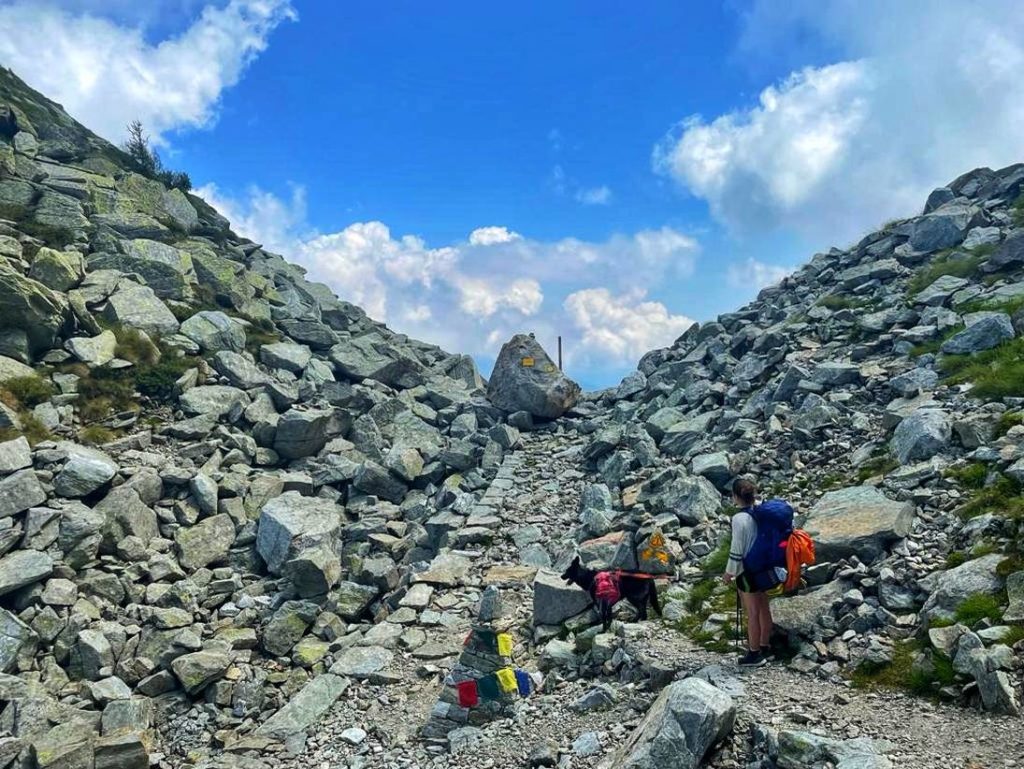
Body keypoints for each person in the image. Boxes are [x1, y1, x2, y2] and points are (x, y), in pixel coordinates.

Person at [722, 477, 777, 667]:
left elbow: (737, 549)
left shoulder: (739, 519)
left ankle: (754, 654)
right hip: (765, 566)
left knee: (752, 612)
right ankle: (765, 646)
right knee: (763, 607)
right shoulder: (762, 509)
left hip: (747, 570)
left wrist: (729, 573)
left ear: (736, 496)